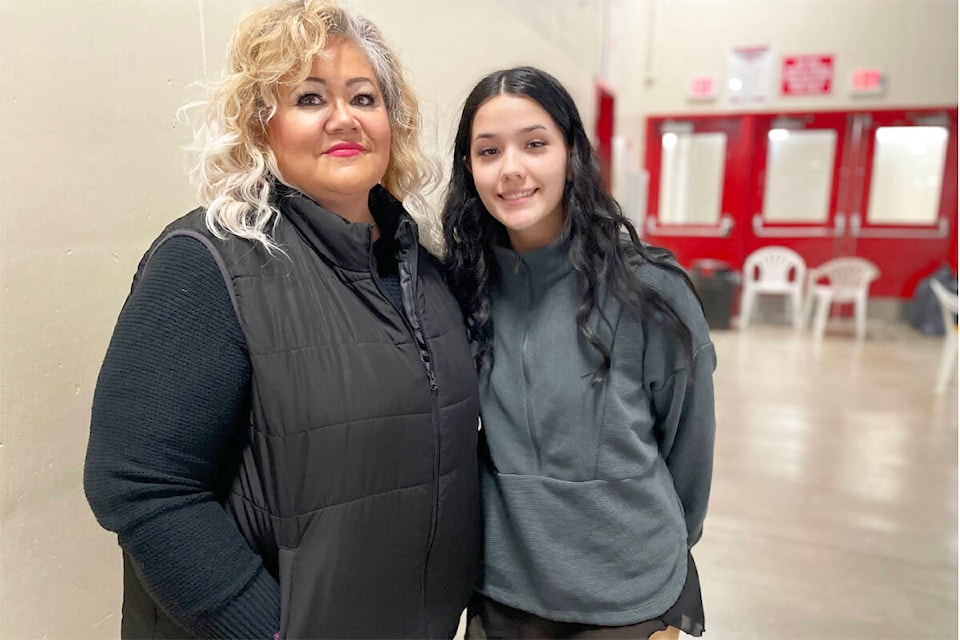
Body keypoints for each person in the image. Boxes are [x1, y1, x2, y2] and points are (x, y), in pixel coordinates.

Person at [83, 1, 481, 638]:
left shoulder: (424, 271)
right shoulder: (207, 263)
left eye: (364, 97)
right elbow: (140, 485)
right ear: (260, 124)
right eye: (309, 98)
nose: (344, 118)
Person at [441, 66, 716, 640]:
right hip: (503, 594)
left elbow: (688, 452)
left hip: (630, 597)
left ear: (571, 153)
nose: (512, 168)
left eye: (535, 144)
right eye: (489, 151)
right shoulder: (462, 288)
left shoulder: (651, 291)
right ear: (470, 169)